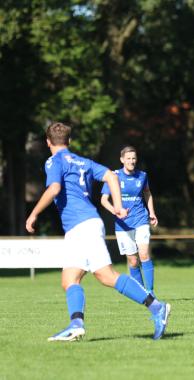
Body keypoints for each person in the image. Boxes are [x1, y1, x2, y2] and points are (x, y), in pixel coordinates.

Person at [25, 122, 170, 341]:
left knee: (105, 276)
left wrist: (34, 213)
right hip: (86, 225)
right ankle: (76, 324)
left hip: (81, 226)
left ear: (48, 142)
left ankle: (157, 307)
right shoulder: (83, 161)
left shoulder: (53, 161)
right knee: (72, 279)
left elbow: (54, 188)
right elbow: (112, 177)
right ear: (69, 141)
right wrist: (119, 206)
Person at [101, 146, 159, 296]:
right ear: (122, 160)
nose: (131, 161)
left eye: (134, 158)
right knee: (133, 262)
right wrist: (116, 211)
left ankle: (150, 292)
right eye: (128, 158)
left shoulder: (142, 176)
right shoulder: (113, 177)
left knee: (144, 254)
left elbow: (147, 193)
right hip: (122, 224)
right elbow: (103, 200)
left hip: (141, 219)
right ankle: (141, 294)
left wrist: (152, 212)